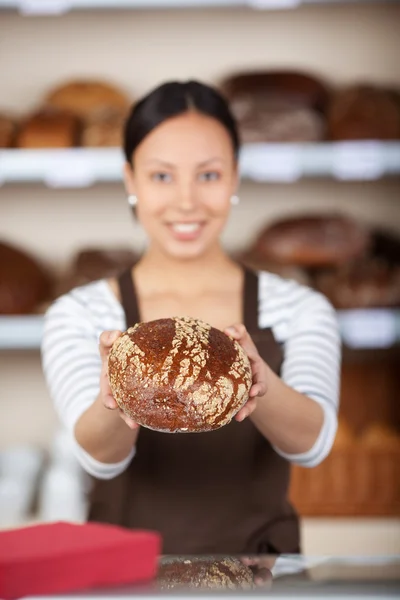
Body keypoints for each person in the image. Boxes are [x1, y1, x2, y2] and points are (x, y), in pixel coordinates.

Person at [42, 80, 341, 557]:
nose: (186, 201)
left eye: (208, 175)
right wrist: (115, 401)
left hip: (258, 574)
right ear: (129, 180)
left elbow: (312, 445)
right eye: (162, 176)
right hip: (123, 577)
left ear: (235, 177)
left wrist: (259, 382)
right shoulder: (80, 313)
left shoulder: (298, 307)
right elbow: (99, 459)